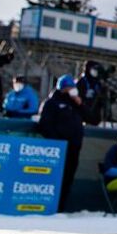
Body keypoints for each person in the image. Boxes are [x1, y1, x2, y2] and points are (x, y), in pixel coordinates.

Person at [37, 73, 87, 208]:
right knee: (54, 178)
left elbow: (90, 117)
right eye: (69, 87)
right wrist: (57, 142)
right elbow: (45, 125)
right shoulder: (52, 103)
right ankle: (50, 205)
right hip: (58, 148)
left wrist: (80, 103)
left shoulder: (74, 102)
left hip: (74, 147)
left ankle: (61, 206)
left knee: (68, 179)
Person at [77, 62, 108, 126]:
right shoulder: (81, 81)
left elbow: (102, 99)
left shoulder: (98, 82)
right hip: (83, 112)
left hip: (94, 114)